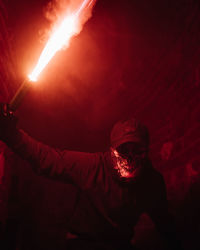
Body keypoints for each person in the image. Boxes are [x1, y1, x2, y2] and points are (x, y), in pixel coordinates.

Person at [0, 103, 183, 250]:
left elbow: (164, 222)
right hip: (82, 241)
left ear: (146, 152)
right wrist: (11, 134)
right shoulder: (92, 166)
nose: (130, 158)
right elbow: (46, 158)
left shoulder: (152, 183)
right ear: (111, 151)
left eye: (137, 151)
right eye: (124, 150)